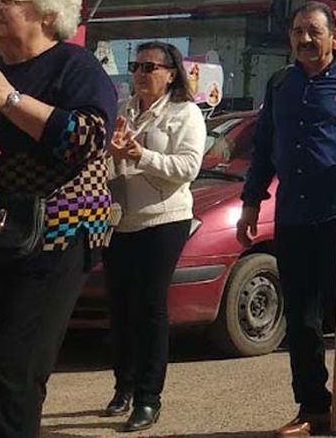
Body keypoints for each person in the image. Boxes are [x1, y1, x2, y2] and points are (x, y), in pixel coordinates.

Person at [0, 0, 118, 438]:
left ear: (46, 12)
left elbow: (87, 137)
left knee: (13, 360)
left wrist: (11, 102)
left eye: (8, 0)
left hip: (56, 237)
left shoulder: (75, 67)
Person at [237, 3, 336, 438]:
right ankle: (312, 406)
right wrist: (251, 202)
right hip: (293, 219)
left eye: (314, 32)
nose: (305, 39)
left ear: (334, 37)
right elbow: (264, 148)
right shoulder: (280, 83)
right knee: (300, 320)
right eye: (298, 31)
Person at [101, 41, 206, 432]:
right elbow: (111, 159)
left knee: (148, 309)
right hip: (119, 220)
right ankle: (123, 386)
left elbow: (189, 167)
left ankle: (148, 398)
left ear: (171, 73)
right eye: (137, 66)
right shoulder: (125, 110)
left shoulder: (185, 113)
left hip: (163, 220)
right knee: (121, 308)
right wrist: (109, 153)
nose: (142, 74)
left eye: (151, 67)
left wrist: (139, 154)